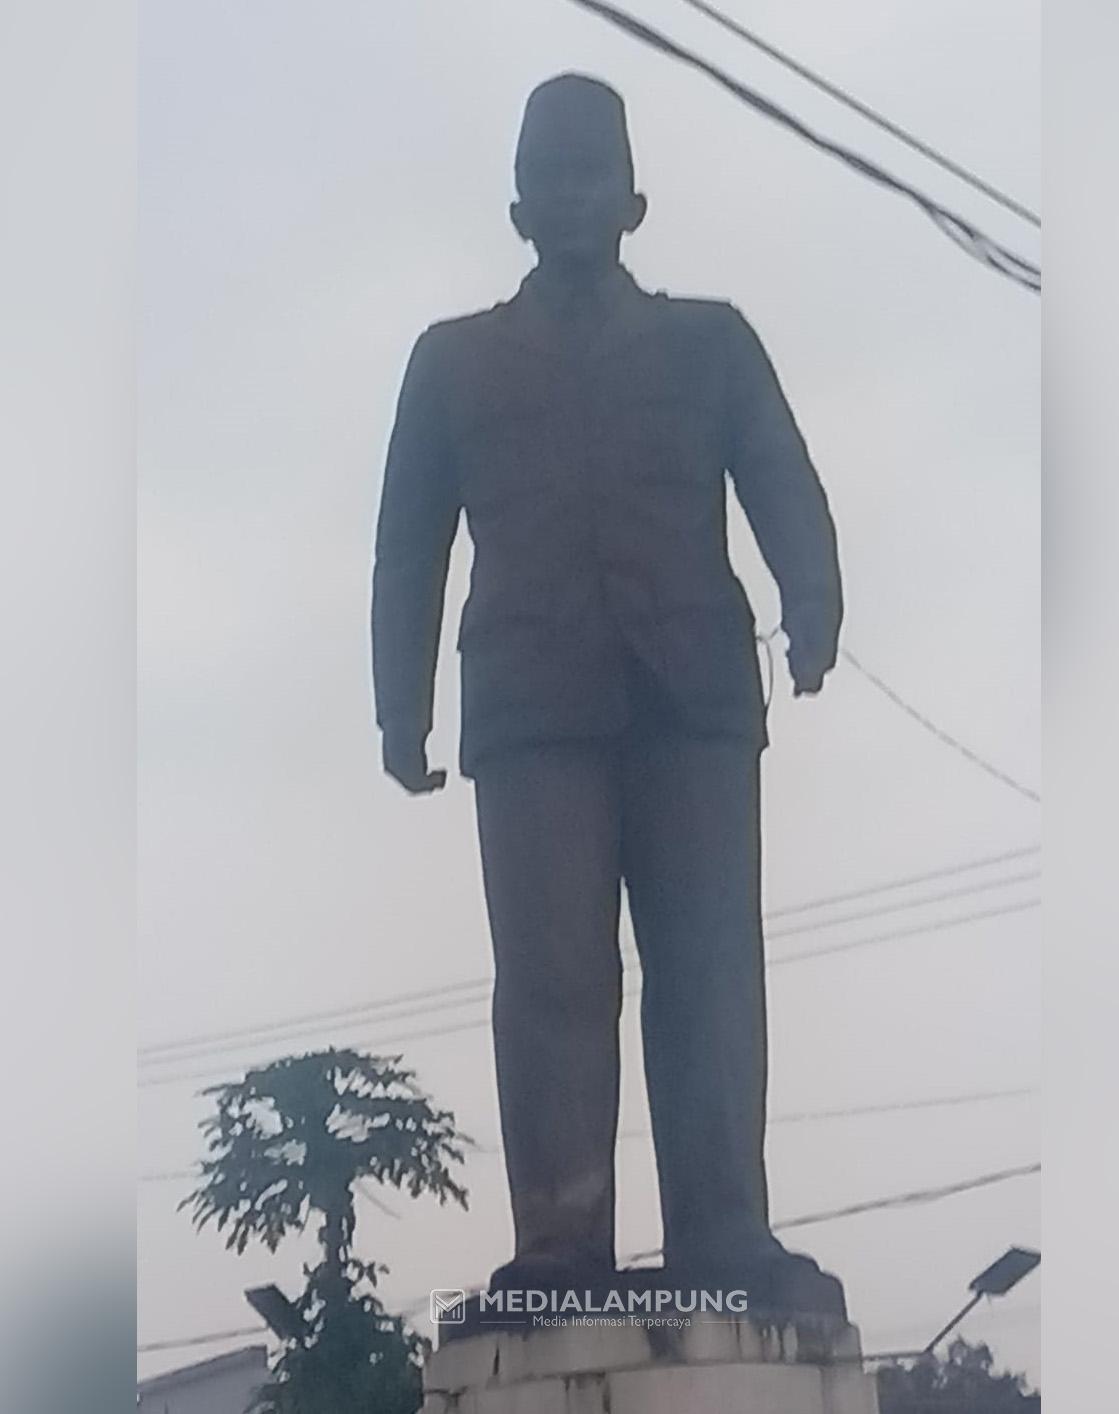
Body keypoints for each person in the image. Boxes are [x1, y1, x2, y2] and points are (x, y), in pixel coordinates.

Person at [371, 73, 844, 1308]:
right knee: (551, 982)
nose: (572, 194)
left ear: (633, 200)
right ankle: (560, 1248)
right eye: (550, 173)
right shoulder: (451, 362)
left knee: (706, 967)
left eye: (593, 172)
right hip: (530, 709)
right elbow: (405, 544)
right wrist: (396, 706)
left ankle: (723, 1232)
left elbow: (780, 476)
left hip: (690, 694)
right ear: (516, 207)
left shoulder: (710, 340)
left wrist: (813, 600)